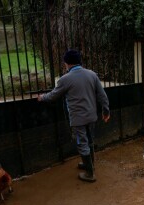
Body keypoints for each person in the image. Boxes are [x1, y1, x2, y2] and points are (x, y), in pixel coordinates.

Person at [38, 49, 110, 183]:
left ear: (67, 63)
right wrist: (106, 111)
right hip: (91, 116)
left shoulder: (65, 79)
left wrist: (42, 97)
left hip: (78, 119)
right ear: (79, 62)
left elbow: (53, 95)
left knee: (82, 143)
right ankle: (90, 165)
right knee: (90, 141)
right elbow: (103, 96)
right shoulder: (92, 75)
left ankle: (89, 173)